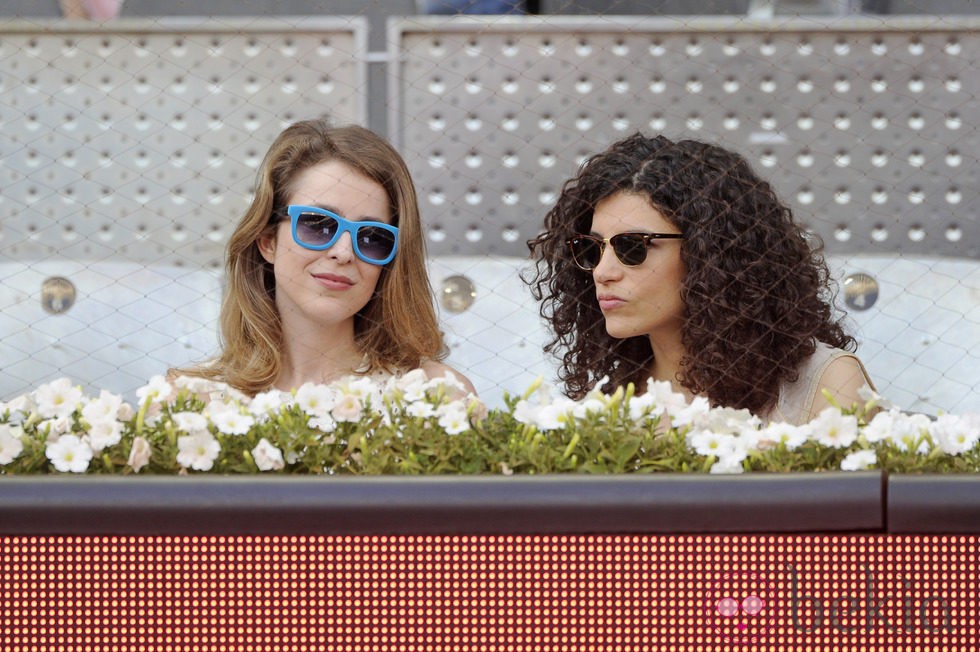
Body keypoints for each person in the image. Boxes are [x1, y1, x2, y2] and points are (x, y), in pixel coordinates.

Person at [526, 133, 874, 425]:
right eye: (591, 249)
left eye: (632, 248)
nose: (603, 271)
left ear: (711, 253)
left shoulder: (824, 383)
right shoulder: (608, 408)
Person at [175, 118, 475, 397]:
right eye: (318, 225)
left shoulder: (438, 396)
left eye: (372, 237)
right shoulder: (189, 399)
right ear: (267, 241)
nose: (343, 252)